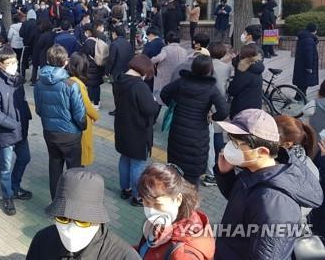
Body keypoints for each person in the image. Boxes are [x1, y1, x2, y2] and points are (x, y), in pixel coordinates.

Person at [213, 109, 323, 260]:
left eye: (237, 144)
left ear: (262, 151)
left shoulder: (274, 205)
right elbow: (241, 201)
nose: (229, 147)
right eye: (231, 140)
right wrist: (225, 174)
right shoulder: (256, 169)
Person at [26, 168, 141, 260]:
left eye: (83, 221)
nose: (71, 230)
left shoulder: (124, 257)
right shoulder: (42, 240)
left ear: (98, 221)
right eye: (62, 218)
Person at [161, 55, 229, 186]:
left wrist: (175, 106)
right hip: (198, 135)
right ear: (209, 70)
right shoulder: (211, 88)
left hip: (178, 132)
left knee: (175, 174)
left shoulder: (181, 82)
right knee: (192, 180)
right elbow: (224, 111)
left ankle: (175, 200)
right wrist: (211, 117)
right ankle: (189, 203)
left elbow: (164, 93)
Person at [0, 46, 32, 216]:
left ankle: (15, 186)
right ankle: (7, 195)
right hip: (6, 132)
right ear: (0, 64)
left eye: (15, 62)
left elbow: (23, 101)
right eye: (9, 63)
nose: (13, 65)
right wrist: (13, 124)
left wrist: (26, 117)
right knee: (5, 166)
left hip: (21, 130)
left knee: (25, 158)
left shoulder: (17, 80)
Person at [33, 45, 86, 199]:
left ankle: (55, 202)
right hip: (70, 134)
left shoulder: (39, 82)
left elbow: (38, 109)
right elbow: (79, 114)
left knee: (55, 167)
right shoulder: (70, 84)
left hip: (49, 132)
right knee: (74, 170)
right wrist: (82, 126)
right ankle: (73, 204)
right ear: (65, 62)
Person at [136, 163, 215, 260]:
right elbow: (148, 250)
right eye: (147, 203)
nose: (151, 212)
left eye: (158, 205)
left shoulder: (183, 254)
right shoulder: (167, 221)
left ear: (178, 199)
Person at [114, 54, 161, 206]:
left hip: (122, 127)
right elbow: (149, 109)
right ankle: (137, 196)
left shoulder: (119, 79)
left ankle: (125, 189)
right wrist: (153, 101)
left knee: (125, 158)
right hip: (138, 130)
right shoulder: (140, 86)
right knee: (138, 164)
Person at [203, 42, 233, 187]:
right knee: (218, 134)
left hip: (208, 102)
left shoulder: (207, 65)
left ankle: (210, 167)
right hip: (220, 102)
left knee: (211, 135)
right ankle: (216, 163)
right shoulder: (227, 67)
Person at [68, 52, 100, 166]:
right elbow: (87, 106)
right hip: (81, 123)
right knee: (80, 158)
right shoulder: (78, 84)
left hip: (69, 124)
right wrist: (96, 116)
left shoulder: (68, 80)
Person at [227, 43, 264, 119]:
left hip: (242, 110)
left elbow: (232, 90)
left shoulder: (245, 72)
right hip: (256, 107)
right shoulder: (256, 66)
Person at [151, 31, 188, 106]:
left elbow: (159, 58)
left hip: (166, 76)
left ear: (167, 41)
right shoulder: (184, 51)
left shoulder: (166, 49)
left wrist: (151, 60)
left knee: (163, 93)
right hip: (179, 76)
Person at [106, 25, 133, 116]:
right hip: (126, 71)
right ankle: (125, 108)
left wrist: (107, 72)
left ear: (115, 33)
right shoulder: (128, 43)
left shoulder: (114, 44)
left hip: (116, 73)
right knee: (124, 92)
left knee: (116, 93)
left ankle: (118, 110)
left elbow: (111, 60)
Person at [81, 25, 106, 109]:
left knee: (90, 86)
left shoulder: (87, 42)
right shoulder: (97, 40)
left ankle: (91, 102)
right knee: (96, 86)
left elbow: (84, 54)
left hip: (90, 67)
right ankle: (97, 102)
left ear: (88, 32)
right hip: (98, 65)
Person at [292, 22, 319, 97]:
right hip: (305, 65)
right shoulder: (309, 40)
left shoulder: (304, 36)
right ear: (314, 30)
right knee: (304, 82)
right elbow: (308, 54)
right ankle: (300, 97)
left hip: (301, 64)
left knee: (302, 82)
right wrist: (309, 67)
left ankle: (299, 96)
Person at [31, 19, 55, 85]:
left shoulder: (43, 36)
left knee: (41, 68)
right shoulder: (53, 34)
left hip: (43, 54)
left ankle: (39, 81)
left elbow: (39, 45)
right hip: (51, 53)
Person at [18, 9, 37, 78]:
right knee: (35, 63)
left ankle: (22, 77)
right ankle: (33, 79)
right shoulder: (37, 23)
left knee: (23, 61)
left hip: (26, 45)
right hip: (35, 46)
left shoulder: (25, 23)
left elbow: (21, 34)